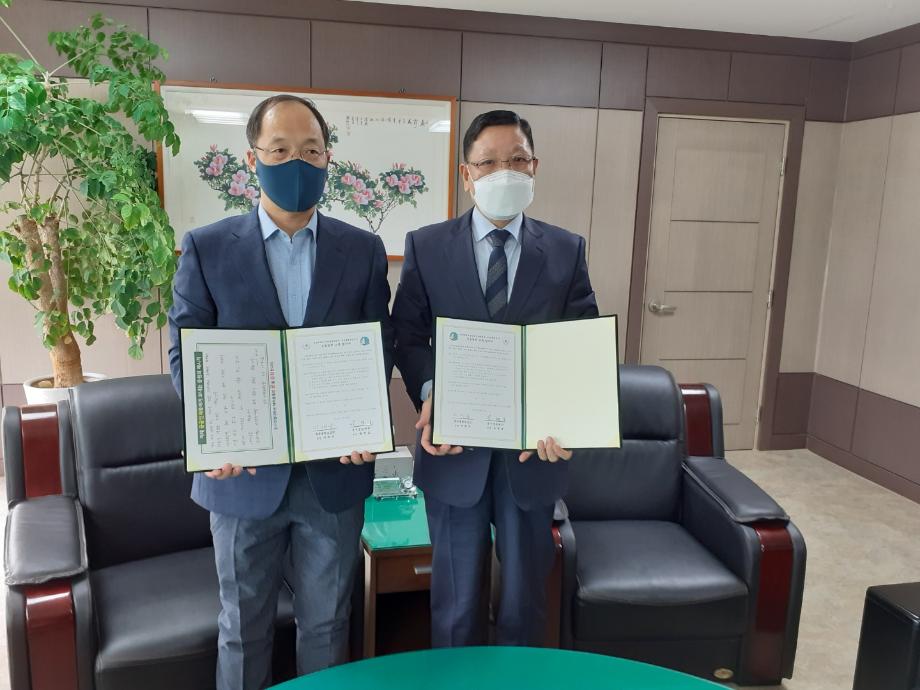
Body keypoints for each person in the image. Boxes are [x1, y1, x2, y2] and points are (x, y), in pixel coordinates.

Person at [168, 94, 393, 689]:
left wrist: (367, 423)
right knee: (242, 630)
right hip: (240, 476)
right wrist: (210, 434)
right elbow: (185, 353)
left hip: (333, 476)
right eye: (280, 150)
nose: (298, 162)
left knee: (327, 626)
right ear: (253, 159)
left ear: (328, 159)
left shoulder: (362, 250)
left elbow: (379, 347)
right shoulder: (207, 247)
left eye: (311, 150)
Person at [391, 109, 598, 647]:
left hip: (532, 459)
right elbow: (407, 336)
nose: (504, 172)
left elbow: (580, 348)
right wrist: (431, 393)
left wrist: (566, 418)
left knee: (524, 605)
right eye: (488, 162)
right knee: (455, 608)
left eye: (517, 160)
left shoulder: (566, 250)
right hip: (453, 452)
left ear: (534, 167)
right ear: (467, 174)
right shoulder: (427, 246)